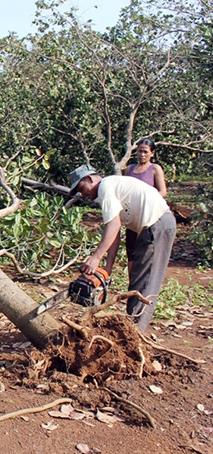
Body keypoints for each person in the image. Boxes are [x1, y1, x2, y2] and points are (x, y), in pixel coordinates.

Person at [68, 164, 176, 330]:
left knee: (144, 283)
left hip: (157, 224)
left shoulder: (105, 186)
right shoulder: (111, 187)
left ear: (89, 179)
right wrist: (106, 269)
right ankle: (133, 329)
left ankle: (135, 334)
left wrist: (95, 258)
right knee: (138, 280)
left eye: (82, 189)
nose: (83, 195)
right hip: (154, 226)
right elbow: (115, 234)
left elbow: (114, 225)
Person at [124, 138, 168, 275]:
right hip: (132, 217)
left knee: (146, 250)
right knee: (131, 251)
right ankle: (132, 284)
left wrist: (147, 202)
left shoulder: (155, 169)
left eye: (145, 152)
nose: (142, 154)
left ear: (152, 153)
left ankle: (145, 282)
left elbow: (163, 192)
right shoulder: (129, 169)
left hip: (149, 216)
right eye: (139, 151)